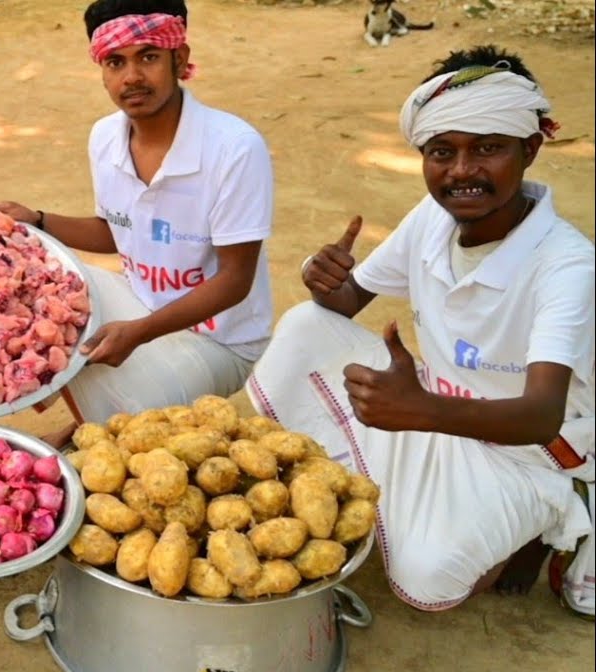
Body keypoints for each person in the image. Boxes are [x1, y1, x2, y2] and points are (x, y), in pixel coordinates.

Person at [248, 46, 594, 615]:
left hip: (525, 452)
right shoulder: (432, 218)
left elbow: (541, 415)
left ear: (529, 148)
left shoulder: (567, 266)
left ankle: (552, 514)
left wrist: (422, 410)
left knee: (428, 576)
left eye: (487, 148)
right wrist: (321, 276)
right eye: (442, 151)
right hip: (430, 413)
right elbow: (343, 301)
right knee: (306, 326)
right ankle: (402, 497)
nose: (462, 171)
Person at [0, 0, 274, 444]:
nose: (132, 78)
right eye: (115, 62)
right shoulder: (105, 136)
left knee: (135, 435)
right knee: (30, 290)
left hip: (220, 339)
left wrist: (139, 334)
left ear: (179, 59)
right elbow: (117, 230)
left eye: (148, 57)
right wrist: (38, 220)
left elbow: (236, 281)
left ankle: (90, 430)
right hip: (139, 306)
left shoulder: (234, 148)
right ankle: (91, 425)